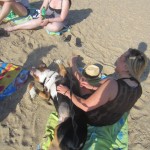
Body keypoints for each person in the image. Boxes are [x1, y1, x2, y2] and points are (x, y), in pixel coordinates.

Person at [57, 48, 148, 126]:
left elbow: (85, 106)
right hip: (112, 119)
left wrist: (67, 92)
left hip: (96, 119)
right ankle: (77, 71)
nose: (117, 59)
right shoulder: (138, 88)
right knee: (106, 80)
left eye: (120, 58)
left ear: (125, 67)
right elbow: (116, 96)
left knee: (82, 84)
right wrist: (92, 87)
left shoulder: (112, 84)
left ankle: (73, 64)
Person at [5, 0, 71, 32]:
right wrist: (41, 16)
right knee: (39, 20)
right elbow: (43, 8)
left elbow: (62, 18)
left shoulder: (65, 1)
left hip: (58, 20)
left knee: (55, 28)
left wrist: (48, 20)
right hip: (47, 17)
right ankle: (14, 28)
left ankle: (41, 25)